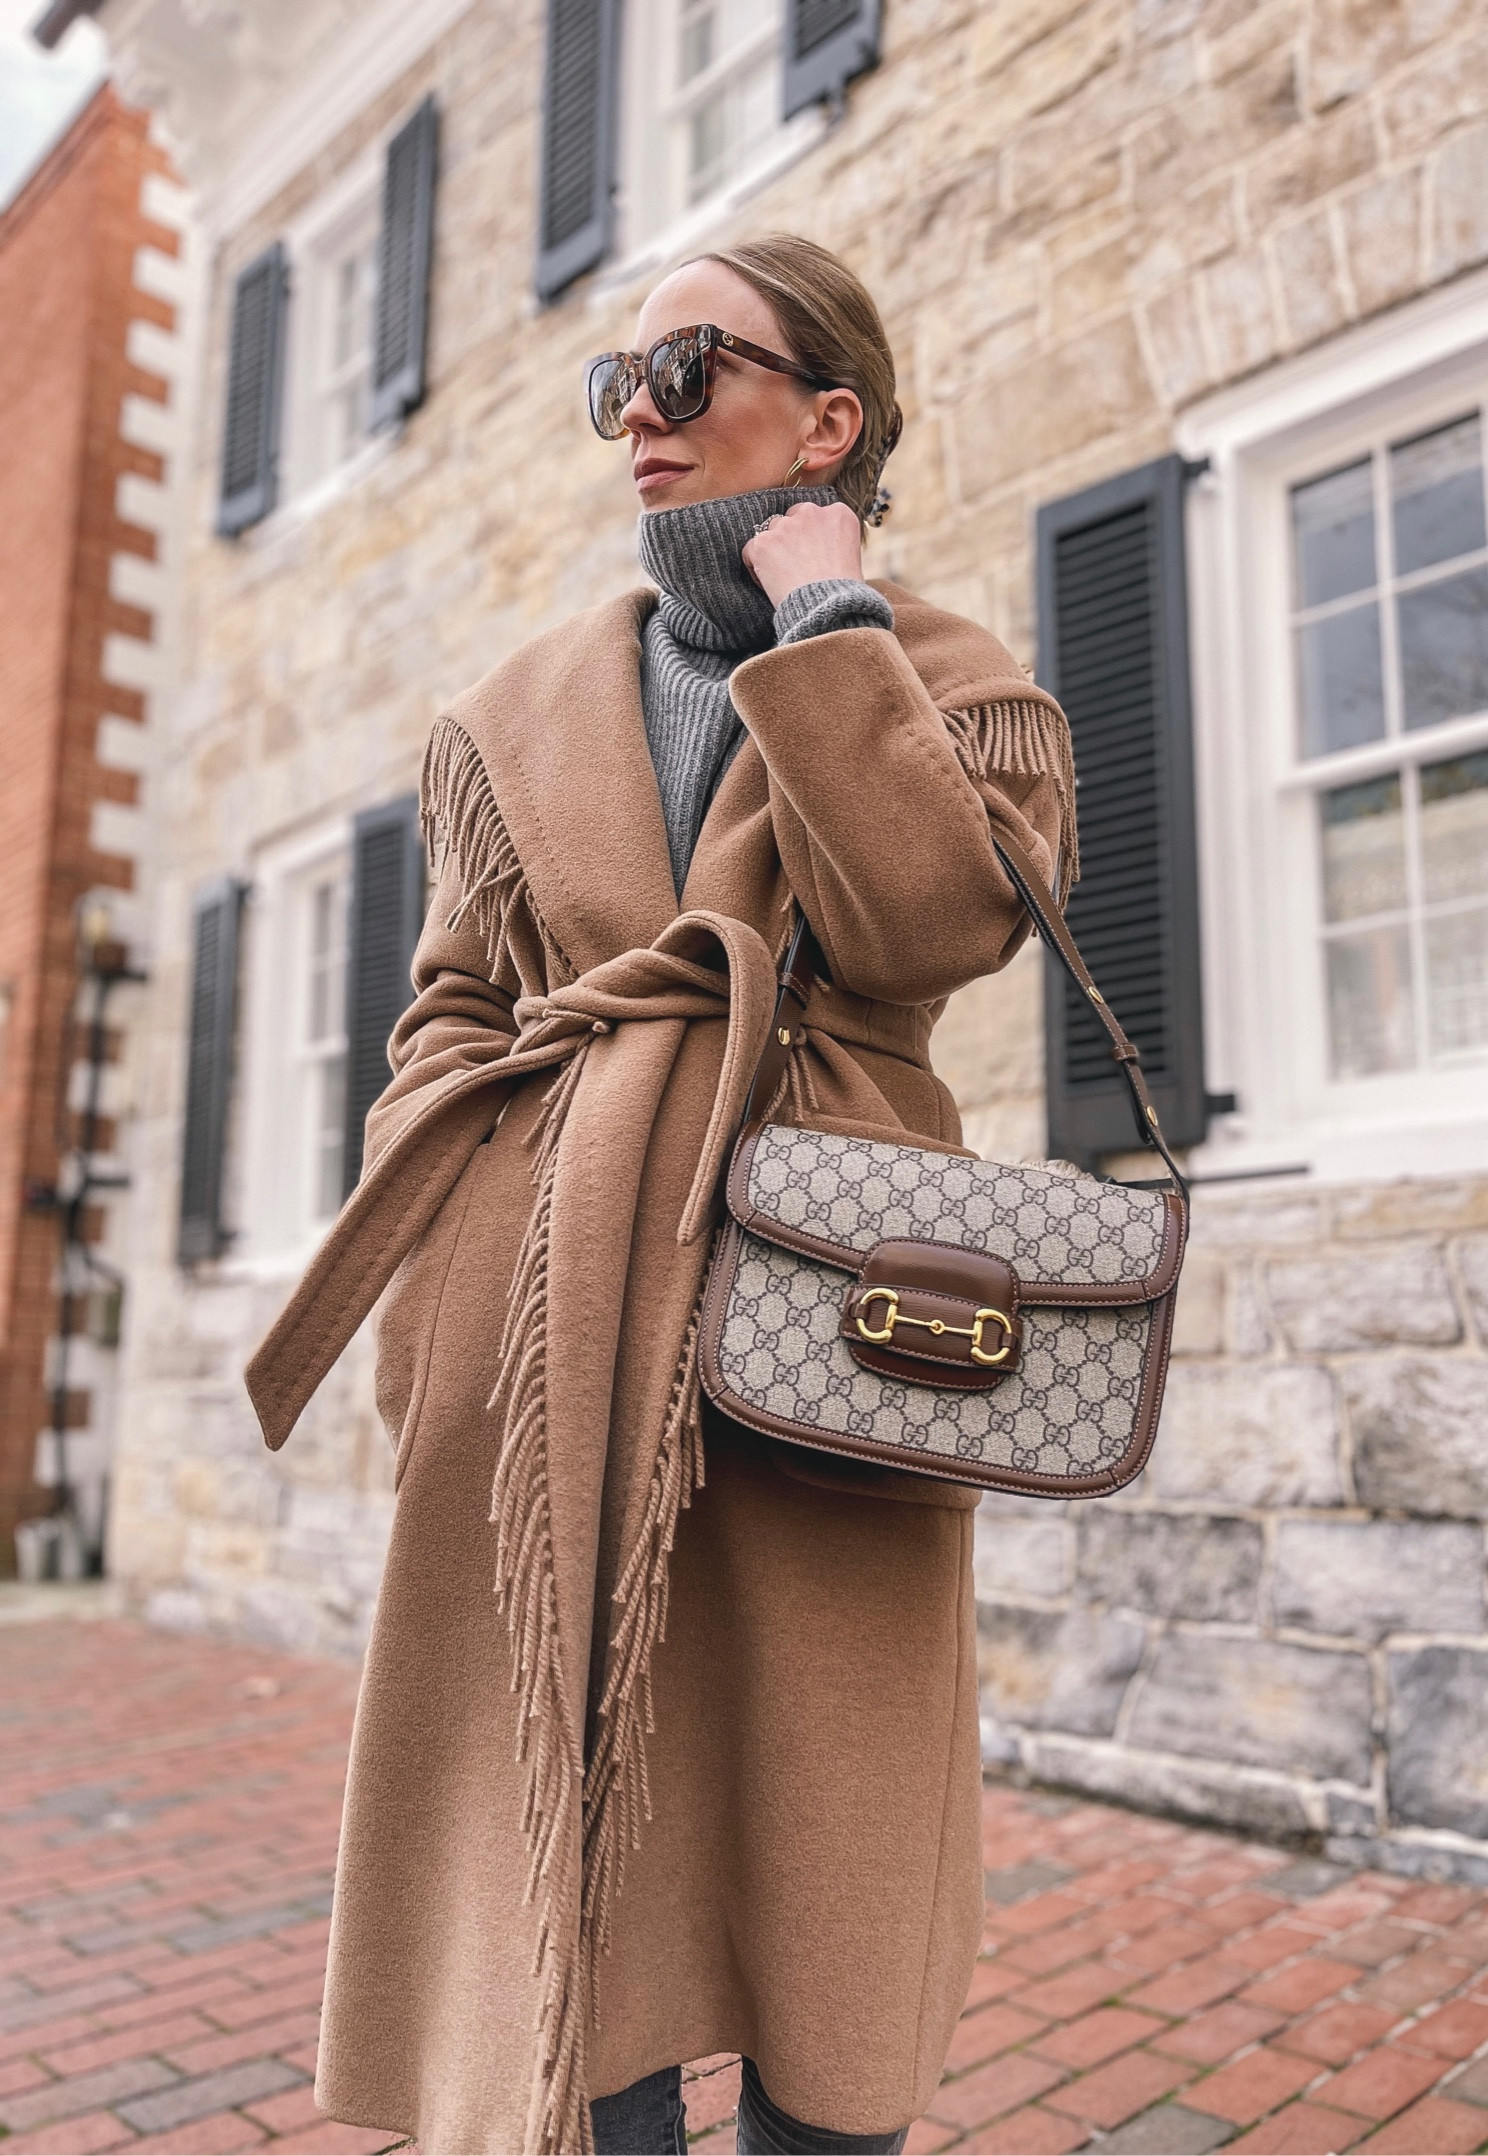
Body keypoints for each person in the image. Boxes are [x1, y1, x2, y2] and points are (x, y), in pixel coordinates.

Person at [246, 233, 1076, 2156]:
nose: (638, 417)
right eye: (612, 383)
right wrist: (466, 1252)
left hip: (825, 1324)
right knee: (560, 1901)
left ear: (829, 416)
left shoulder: (948, 678)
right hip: (546, 1331)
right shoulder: (517, 709)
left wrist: (828, 627)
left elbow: (929, 927)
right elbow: (447, 1016)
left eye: (687, 370)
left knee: (821, 1871)